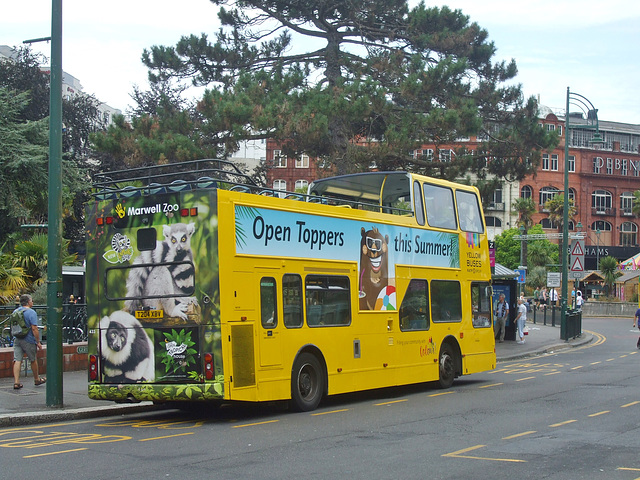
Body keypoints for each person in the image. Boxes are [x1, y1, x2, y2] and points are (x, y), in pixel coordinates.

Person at [12, 294, 46, 390]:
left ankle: (16, 382)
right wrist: (38, 341)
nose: (32, 302)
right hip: (29, 339)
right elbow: (34, 328)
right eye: (31, 300)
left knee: (17, 360)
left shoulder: (16, 311)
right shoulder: (31, 312)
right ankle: (36, 379)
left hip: (17, 338)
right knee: (33, 359)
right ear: (28, 302)